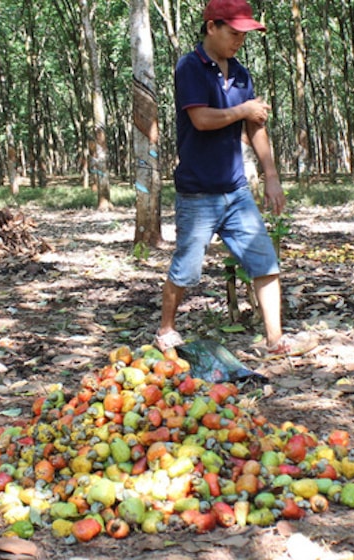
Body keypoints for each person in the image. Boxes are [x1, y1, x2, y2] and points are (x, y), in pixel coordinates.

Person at [155, 0, 293, 356]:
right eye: (233, 33)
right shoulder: (190, 67)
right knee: (186, 269)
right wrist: (243, 109)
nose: (238, 41)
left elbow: (255, 127)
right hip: (198, 193)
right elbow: (201, 119)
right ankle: (166, 329)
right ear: (212, 27)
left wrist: (272, 176)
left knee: (265, 263)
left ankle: (275, 340)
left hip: (237, 191)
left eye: (244, 35)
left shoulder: (242, 75)